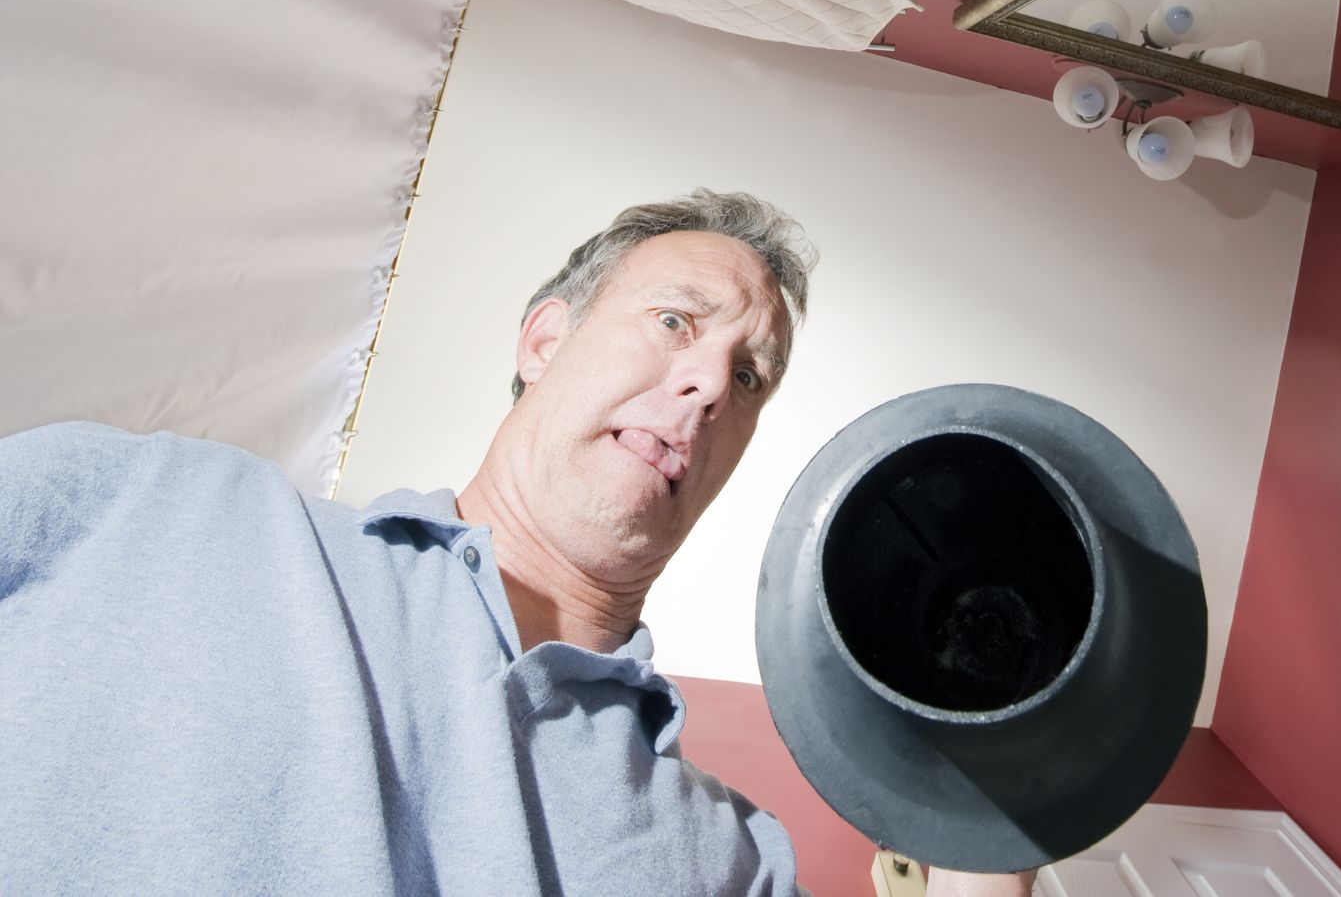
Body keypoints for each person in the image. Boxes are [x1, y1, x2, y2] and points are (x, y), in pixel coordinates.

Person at [0, 190, 1032, 896]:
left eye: (749, 374)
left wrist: (1014, 774)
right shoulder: (149, 500)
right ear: (544, 339)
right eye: (678, 321)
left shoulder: (725, 859)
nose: (711, 382)